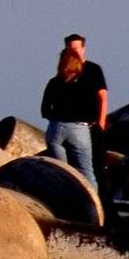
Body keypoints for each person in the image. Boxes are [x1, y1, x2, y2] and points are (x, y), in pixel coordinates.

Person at [40, 33, 107, 193]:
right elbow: (101, 97)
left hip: (57, 127)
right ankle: (93, 208)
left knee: (61, 172)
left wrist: (56, 117)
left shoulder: (55, 81)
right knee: (86, 171)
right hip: (81, 128)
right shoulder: (82, 78)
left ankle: (65, 204)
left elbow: (44, 110)